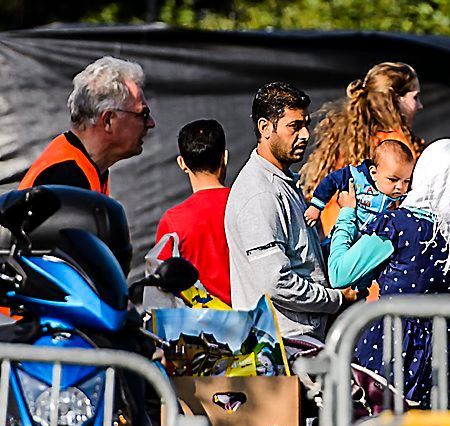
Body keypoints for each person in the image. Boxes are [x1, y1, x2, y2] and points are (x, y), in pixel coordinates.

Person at [327, 139, 450, 409]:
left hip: (390, 346)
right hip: (442, 350)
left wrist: (347, 215)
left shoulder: (399, 225)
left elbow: (340, 273)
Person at [224, 82, 358, 341]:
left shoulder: (283, 182)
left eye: (306, 124)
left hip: (301, 340)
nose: (305, 134)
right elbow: (277, 283)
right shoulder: (259, 194)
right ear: (265, 128)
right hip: (283, 348)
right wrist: (336, 299)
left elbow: (302, 258)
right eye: (294, 126)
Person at [300, 62, 424, 238]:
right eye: (415, 97)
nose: (420, 106)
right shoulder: (396, 146)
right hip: (368, 247)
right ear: (396, 98)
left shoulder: (345, 136)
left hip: (337, 242)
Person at [19, 56, 155, 195]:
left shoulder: (85, 167)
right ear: (108, 120)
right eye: (142, 114)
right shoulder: (66, 177)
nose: (151, 123)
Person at [155, 119, 232, 305]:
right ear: (225, 157)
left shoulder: (173, 221)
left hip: (204, 327)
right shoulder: (248, 204)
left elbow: (161, 285)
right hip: (261, 322)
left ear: (182, 163)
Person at [304, 139, 415, 234]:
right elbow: (331, 181)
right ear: (374, 173)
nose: (400, 186)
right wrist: (316, 206)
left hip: (367, 241)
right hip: (348, 232)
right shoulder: (356, 177)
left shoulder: (401, 195)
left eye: (406, 181)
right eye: (393, 180)